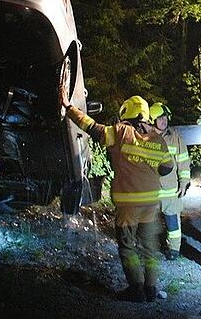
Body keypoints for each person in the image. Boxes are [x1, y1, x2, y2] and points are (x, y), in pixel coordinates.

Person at [61, 94, 173, 303]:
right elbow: (167, 168)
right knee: (150, 247)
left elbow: (93, 128)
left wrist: (69, 108)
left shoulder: (121, 132)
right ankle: (151, 289)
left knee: (128, 246)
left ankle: (136, 289)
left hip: (128, 203)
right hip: (151, 204)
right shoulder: (157, 139)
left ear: (126, 112)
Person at [150, 101, 191, 260]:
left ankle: (174, 250)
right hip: (150, 189)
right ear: (153, 120)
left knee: (173, 222)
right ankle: (150, 248)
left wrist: (184, 181)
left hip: (170, 189)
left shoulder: (175, 137)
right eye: (160, 118)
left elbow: (183, 160)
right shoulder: (145, 137)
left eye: (165, 118)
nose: (164, 121)